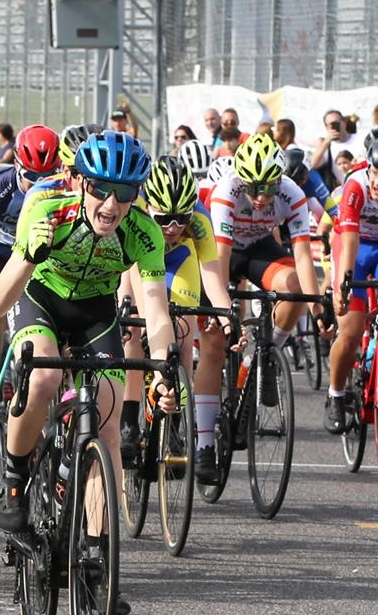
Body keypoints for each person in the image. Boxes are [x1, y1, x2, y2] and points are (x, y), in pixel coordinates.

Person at [0, 130, 176, 615]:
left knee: (108, 429)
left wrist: (163, 371)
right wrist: (28, 253)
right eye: (99, 190)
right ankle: (13, 477)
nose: (111, 205)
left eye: (126, 194)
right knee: (44, 380)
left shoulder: (143, 233)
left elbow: (155, 310)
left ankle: (94, 557)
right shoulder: (45, 204)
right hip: (38, 300)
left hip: (95, 314)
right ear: (77, 182)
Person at [137, 156, 236, 484]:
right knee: (135, 327)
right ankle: (127, 420)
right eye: (164, 219)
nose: (174, 228)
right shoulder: (134, 211)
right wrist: (130, 309)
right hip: (137, 263)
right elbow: (126, 273)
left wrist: (226, 316)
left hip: (178, 264)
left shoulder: (200, 220)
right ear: (148, 204)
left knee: (180, 329)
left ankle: (174, 422)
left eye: (181, 218)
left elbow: (213, 278)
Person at [209, 133, 323, 384]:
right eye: (254, 188)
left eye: (269, 188)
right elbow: (220, 255)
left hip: (258, 248)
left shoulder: (291, 193)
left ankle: (266, 355)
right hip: (223, 251)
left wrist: (316, 309)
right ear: (242, 180)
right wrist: (221, 308)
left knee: (295, 290)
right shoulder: (227, 190)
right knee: (215, 337)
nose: (261, 197)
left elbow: (303, 256)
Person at [0, 125, 60, 435]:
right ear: (17, 165)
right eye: (31, 178)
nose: (39, 185)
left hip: (35, 257)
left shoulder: (61, 189)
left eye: (46, 177)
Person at [326, 142, 378, 434]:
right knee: (351, 329)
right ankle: (335, 394)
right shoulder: (355, 184)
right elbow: (349, 239)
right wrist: (343, 286)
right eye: (376, 173)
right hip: (352, 248)